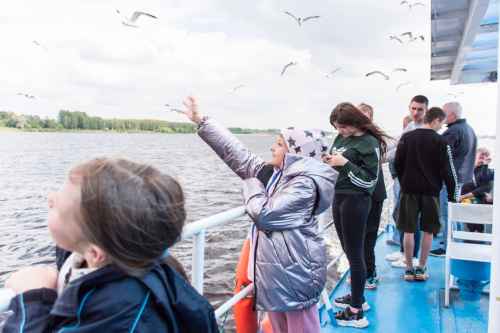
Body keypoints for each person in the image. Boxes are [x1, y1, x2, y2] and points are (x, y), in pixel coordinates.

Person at [3, 158, 218, 332]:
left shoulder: (122, 313)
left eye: (58, 205)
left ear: (95, 254)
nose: (51, 198)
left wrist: (32, 300)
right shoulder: (130, 252)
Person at [182, 97, 336, 333]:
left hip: (296, 276)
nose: (272, 148)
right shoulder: (277, 174)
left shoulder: (305, 184)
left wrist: (251, 184)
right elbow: (238, 154)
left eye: (279, 144)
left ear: (295, 152)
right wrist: (202, 121)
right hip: (279, 274)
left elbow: (265, 214)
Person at [323, 102, 390, 328]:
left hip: (356, 200)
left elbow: (369, 180)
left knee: (356, 253)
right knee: (347, 250)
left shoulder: (369, 142)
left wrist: (345, 164)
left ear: (353, 123)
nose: (339, 132)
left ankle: (356, 313)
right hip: (339, 196)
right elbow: (336, 160)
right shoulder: (341, 139)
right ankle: (357, 297)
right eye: (336, 128)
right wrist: (330, 161)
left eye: (342, 127)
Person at [394, 107, 457, 281]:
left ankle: (408, 269)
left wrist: (405, 181)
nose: (442, 127)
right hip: (431, 193)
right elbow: (448, 171)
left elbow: (397, 164)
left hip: (408, 191)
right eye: (441, 123)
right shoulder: (441, 142)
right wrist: (453, 196)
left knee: (408, 231)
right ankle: (421, 268)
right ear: (436, 120)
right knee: (428, 231)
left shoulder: (407, 138)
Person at [386, 95, 429, 268]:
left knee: (413, 220)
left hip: (416, 182)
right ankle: (404, 252)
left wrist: (382, 157)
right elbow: (398, 146)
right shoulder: (410, 125)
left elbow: (403, 152)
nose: (416, 112)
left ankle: (413, 257)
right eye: (413, 108)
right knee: (402, 216)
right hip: (404, 179)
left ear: (426, 109)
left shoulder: (425, 130)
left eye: (420, 109)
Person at [430, 101, 477, 256]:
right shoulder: (469, 129)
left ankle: (448, 247)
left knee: (447, 212)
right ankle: (452, 241)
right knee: (453, 211)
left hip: (451, 179)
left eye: (444, 113)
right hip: (462, 178)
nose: (442, 117)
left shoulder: (453, 131)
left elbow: (439, 153)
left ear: (452, 115)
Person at [358, 103, 387, 289]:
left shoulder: (374, 139)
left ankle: (369, 272)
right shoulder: (350, 138)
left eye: (365, 115)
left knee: (368, 235)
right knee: (356, 236)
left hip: (374, 192)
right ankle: (362, 271)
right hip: (358, 193)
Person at [460, 147, 494, 232]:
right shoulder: (465, 168)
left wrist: (485, 165)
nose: (484, 155)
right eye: (482, 153)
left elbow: (485, 187)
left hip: (478, 202)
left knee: (483, 192)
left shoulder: (487, 171)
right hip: (465, 203)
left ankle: (477, 234)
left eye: (486, 155)